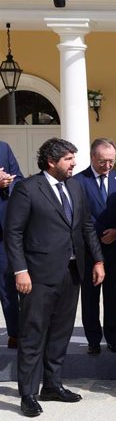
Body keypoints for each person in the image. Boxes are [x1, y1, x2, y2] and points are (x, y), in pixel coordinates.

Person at [4, 137, 105, 417]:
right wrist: (20, 270)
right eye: (69, 159)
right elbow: (13, 233)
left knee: (60, 333)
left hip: (72, 273)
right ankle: (27, 393)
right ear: (52, 162)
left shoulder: (75, 186)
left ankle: (52, 385)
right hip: (37, 276)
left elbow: (86, 225)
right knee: (33, 335)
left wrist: (98, 259)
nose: (74, 163)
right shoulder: (27, 189)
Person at [73, 139, 116, 355]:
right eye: (102, 161)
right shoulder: (78, 181)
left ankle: (114, 338)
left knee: (114, 295)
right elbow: (79, 217)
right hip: (89, 249)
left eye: (111, 161)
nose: (107, 166)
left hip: (115, 247)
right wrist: (95, 238)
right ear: (92, 157)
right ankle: (93, 339)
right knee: (90, 297)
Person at [0, 139, 23, 350]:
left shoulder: (4, 147)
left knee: (7, 285)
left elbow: (20, 179)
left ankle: (15, 333)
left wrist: (8, 181)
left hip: (4, 232)